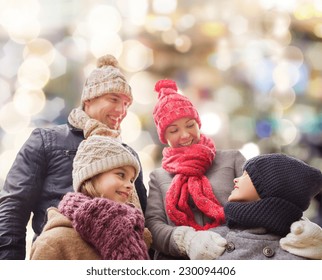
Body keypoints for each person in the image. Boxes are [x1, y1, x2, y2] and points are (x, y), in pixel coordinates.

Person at [0, 54, 147, 260]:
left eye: (126, 104)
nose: (121, 110)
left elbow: (143, 220)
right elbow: (13, 210)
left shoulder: (128, 155)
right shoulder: (47, 141)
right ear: (89, 98)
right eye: (114, 99)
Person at [145, 79, 246, 260]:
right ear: (164, 136)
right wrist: (188, 241)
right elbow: (153, 226)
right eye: (174, 130)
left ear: (198, 124)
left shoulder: (233, 159)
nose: (184, 135)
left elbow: (257, 203)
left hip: (236, 255)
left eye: (190, 125)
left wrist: (223, 238)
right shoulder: (158, 177)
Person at [180, 153, 321, 260]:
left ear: (273, 187)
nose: (236, 179)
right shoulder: (211, 242)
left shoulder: (302, 248)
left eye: (246, 175)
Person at [30, 135, 150, 260]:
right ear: (91, 176)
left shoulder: (135, 233)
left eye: (131, 180)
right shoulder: (53, 242)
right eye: (121, 175)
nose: (130, 185)